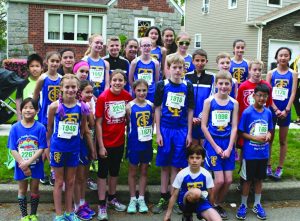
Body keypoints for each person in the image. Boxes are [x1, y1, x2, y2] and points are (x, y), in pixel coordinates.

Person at [152, 53, 194, 214]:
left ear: (184, 69)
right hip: (166, 129)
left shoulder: (187, 86)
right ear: (168, 69)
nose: (177, 71)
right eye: (174, 67)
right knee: (165, 165)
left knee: (176, 165)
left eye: (180, 68)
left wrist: (189, 133)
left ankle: (173, 197)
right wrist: (159, 132)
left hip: (181, 130)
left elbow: (190, 110)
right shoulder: (162, 85)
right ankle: (163, 196)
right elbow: (156, 108)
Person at [47, 74, 89, 221]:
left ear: (77, 88)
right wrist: (47, 148)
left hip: (73, 149)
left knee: (71, 181)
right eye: (67, 87)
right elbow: (50, 128)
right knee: (59, 182)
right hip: (58, 148)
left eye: (73, 87)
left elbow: (83, 128)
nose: (70, 90)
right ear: (61, 88)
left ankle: (69, 212)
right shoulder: (54, 106)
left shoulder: (82, 107)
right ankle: (59, 215)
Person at [95, 69, 132, 220]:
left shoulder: (127, 97)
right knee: (103, 173)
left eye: (120, 80)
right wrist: (101, 145)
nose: (117, 83)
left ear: (124, 82)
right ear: (110, 81)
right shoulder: (103, 98)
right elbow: (98, 123)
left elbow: (129, 120)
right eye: (115, 80)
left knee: (115, 172)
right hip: (105, 142)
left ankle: (112, 198)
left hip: (119, 142)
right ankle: (101, 204)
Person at [201, 70, 238, 219]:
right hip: (213, 143)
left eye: (226, 84)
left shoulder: (234, 103)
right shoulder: (209, 101)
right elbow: (204, 126)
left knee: (228, 180)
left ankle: (216, 203)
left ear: (231, 85)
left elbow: (234, 126)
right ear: (216, 84)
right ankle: (208, 205)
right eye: (221, 83)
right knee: (220, 180)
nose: (223, 86)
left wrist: (229, 148)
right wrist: (215, 147)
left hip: (227, 143)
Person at [236, 84, 273, 220]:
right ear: (254, 96)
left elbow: (270, 128)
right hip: (250, 154)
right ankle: (243, 205)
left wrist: (268, 134)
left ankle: (257, 204)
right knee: (247, 180)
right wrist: (255, 138)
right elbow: (241, 132)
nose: (262, 98)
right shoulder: (247, 112)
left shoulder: (268, 112)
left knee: (259, 180)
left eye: (265, 96)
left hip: (263, 153)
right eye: (259, 95)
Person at [7, 98, 47, 221]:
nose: (28, 110)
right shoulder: (15, 128)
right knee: (22, 189)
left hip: (36, 164)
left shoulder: (40, 128)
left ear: (37, 110)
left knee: (35, 188)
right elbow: (13, 148)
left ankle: (33, 214)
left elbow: (41, 148)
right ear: (21, 110)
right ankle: (24, 215)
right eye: (25, 107)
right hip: (21, 166)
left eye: (31, 108)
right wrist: (23, 165)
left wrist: (28, 163)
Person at [163, 145, 222, 221]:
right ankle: (187, 214)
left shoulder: (206, 174)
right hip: (185, 202)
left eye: (198, 158)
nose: (194, 160)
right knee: (196, 192)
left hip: (201, 201)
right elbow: (174, 195)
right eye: (191, 157)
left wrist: (211, 210)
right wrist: (168, 215)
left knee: (217, 219)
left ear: (203, 159)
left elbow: (211, 194)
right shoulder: (182, 174)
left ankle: (200, 213)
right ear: (187, 159)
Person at [266, 47, 298, 180]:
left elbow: (293, 93)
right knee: (269, 139)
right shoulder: (271, 73)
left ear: (289, 58)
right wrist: (275, 109)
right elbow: (267, 92)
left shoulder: (293, 74)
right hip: (272, 110)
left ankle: (279, 167)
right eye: (281, 55)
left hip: (286, 111)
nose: (283, 58)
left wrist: (287, 110)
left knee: (283, 140)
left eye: (286, 55)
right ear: (276, 57)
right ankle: (267, 165)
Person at [32, 51, 62, 186]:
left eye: (57, 61)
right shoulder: (43, 78)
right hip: (45, 116)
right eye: (52, 61)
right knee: (46, 143)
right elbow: (35, 95)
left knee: (53, 144)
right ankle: (49, 170)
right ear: (47, 62)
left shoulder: (62, 78)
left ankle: (49, 171)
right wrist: (34, 109)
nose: (54, 63)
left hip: (58, 116)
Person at [126, 79, 154, 214]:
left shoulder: (151, 105)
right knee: (132, 172)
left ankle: (141, 198)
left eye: (144, 90)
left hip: (147, 143)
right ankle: (132, 198)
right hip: (134, 143)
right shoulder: (129, 106)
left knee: (143, 171)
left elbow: (153, 122)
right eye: (139, 90)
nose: (142, 93)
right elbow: (127, 125)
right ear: (134, 91)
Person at [74, 80, 97, 220]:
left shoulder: (87, 104)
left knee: (83, 177)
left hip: (86, 142)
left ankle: (82, 202)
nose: (90, 94)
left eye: (91, 92)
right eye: (87, 92)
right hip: (80, 142)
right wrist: (93, 149)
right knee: (78, 177)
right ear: (79, 93)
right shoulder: (81, 107)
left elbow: (92, 124)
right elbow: (88, 129)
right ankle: (77, 206)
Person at [185, 49, 214, 146]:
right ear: (192, 61)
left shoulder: (212, 77)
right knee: (192, 148)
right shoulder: (186, 77)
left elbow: (212, 97)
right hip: (191, 119)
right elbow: (184, 97)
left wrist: (202, 116)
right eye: (197, 60)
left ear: (206, 61)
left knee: (204, 146)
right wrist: (191, 116)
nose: (200, 63)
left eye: (202, 60)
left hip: (205, 119)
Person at [129, 37, 160, 103]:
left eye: (148, 45)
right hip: (138, 93)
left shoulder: (156, 63)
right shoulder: (134, 62)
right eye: (144, 46)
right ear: (140, 48)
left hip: (151, 93)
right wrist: (136, 90)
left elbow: (156, 80)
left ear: (151, 47)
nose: (146, 48)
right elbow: (130, 79)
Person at [16, 54, 43, 121]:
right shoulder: (22, 84)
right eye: (32, 66)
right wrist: (19, 120)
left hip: (42, 120)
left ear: (42, 68)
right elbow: (18, 101)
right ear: (28, 68)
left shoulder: (45, 83)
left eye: (37, 66)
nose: (34, 69)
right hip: (27, 120)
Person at [82, 34, 110, 99]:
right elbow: (82, 81)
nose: (99, 45)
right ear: (90, 44)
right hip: (88, 96)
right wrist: (92, 96)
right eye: (97, 42)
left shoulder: (105, 63)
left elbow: (107, 84)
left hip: (102, 95)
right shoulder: (85, 61)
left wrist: (103, 96)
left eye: (101, 43)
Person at [290, 55, 300, 124]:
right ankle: (299, 117)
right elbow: (293, 66)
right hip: (297, 78)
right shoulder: (298, 57)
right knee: (295, 98)